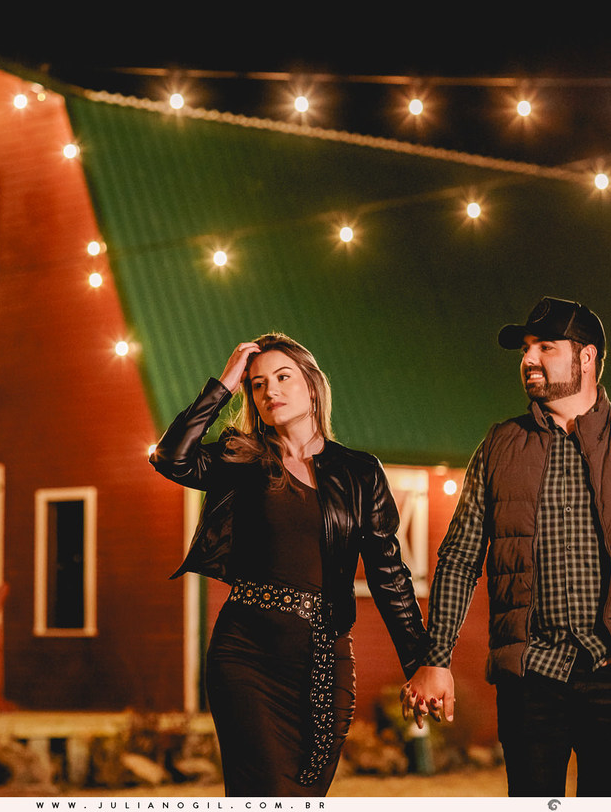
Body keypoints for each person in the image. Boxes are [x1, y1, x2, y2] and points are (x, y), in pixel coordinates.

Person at [401, 297, 611, 797]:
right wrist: (436, 658)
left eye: (545, 347)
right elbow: (459, 559)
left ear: (586, 357)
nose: (529, 359)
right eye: (526, 349)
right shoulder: (499, 445)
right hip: (530, 677)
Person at [150, 333, 428, 796]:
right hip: (246, 655)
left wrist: (422, 664)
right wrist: (223, 386)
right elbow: (171, 458)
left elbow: (389, 576)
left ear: (313, 387)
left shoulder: (360, 472)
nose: (270, 391)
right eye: (257, 384)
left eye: (283, 377)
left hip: (326, 660)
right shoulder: (240, 459)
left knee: (305, 793)